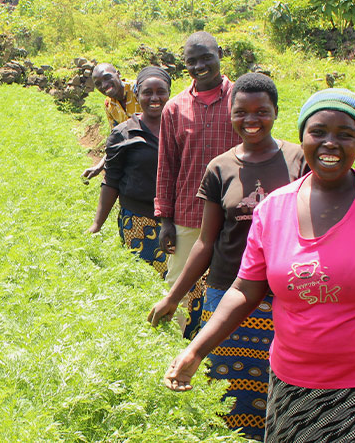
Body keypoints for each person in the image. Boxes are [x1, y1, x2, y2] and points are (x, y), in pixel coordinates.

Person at [163, 88, 355, 442]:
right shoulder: (273, 209)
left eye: (345, 134)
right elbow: (244, 290)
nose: (330, 143)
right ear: (303, 138)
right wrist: (195, 350)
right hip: (291, 385)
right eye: (318, 132)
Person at [147, 73, 307, 441]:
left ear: (276, 112)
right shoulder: (220, 167)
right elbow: (206, 242)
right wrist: (173, 297)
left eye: (261, 111)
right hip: (227, 290)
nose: (251, 120)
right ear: (230, 114)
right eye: (241, 112)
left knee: (282, 387)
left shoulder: (299, 160)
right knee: (227, 394)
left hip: (285, 293)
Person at [154, 32, 242, 339]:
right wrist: (166, 219)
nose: (199, 66)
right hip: (188, 215)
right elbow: (166, 166)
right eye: (192, 61)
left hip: (235, 216)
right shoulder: (174, 108)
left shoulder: (241, 100)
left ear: (220, 54)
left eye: (206, 58)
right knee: (176, 287)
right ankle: (169, 350)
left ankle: (222, 352)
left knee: (232, 288)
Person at [87, 66, 171, 278]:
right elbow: (111, 180)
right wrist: (96, 225)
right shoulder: (122, 133)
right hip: (139, 220)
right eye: (147, 93)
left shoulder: (182, 129)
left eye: (160, 92)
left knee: (182, 284)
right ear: (137, 94)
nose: (154, 98)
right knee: (145, 281)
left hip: (178, 220)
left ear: (169, 94)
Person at [81, 63, 144, 179]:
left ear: (118, 74)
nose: (104, 85)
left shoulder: (139, 89)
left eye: (107, 77)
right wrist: (99, 167)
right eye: (98, 84)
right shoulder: (109, 105)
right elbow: (117, 140)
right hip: (135, 157)